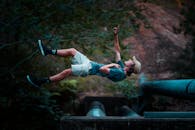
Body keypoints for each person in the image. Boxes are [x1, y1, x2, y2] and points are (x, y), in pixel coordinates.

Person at [26, 27, 141, 88]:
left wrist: (112, 64)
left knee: (67, 72)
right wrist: (116, 35)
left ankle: (41, 82)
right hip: (90, 63)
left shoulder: (120, 74)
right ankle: (47, 51)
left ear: (131, 67)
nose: (130, 59)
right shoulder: (121, 68)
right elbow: (117, 50)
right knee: (72, 51)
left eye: (132, 61)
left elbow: (102, 70)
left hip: (89, 69)